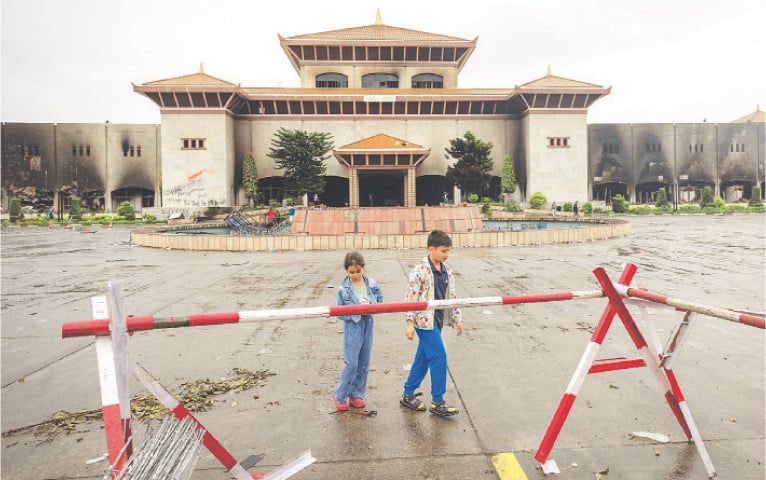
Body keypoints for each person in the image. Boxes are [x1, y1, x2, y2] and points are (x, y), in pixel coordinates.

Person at [400, 230, 463, 417]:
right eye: (443, 251)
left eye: (448, 251)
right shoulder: (420, 270)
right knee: (439, 356)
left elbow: (451, 296)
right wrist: (409, 323)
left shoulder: (447, 270)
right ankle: (438, 400)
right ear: (431, 249)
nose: (446, 254)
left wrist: (457, 319)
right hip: (423, 322)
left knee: (424, 358)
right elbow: (410, 297)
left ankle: (408, 393)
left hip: (438, 321)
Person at [334, 252, 383, 411]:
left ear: (363, 268)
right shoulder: (344, 289)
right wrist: (355, 312)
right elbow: (339, 311)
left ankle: (356, 394)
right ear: (347, 271)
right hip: (353, 326)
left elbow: (380, 301)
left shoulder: (372, 284)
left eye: (358, 271)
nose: (355, 275)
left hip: (368, 323)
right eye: (351, 272)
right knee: (352, 363)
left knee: (363, 363)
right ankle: (340, 395)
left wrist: (372, 309)